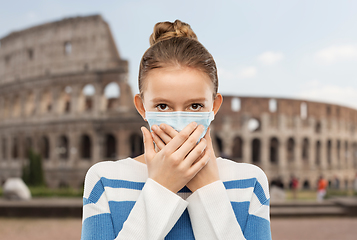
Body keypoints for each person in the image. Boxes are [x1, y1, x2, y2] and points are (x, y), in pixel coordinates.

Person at [81, 20, 271, 240]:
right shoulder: (104, 180)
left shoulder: (250, 182)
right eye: (163, 106)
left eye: (195, 106)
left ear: (215, 106)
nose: (180, 121)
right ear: (142, 107)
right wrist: (161, 188)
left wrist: (209, 192)